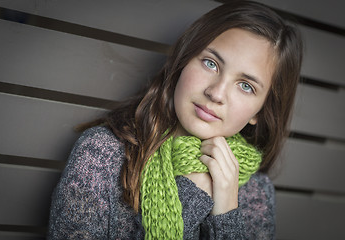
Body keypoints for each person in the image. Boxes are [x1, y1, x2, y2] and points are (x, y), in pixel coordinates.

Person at [48, 1, 302, 239]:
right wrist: (193, 196)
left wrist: (226, 212)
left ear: (259, 111)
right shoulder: (102, 155)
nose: (216, 93)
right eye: (210, 63)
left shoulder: (256, 191)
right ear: (183, 61)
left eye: (246, 86)